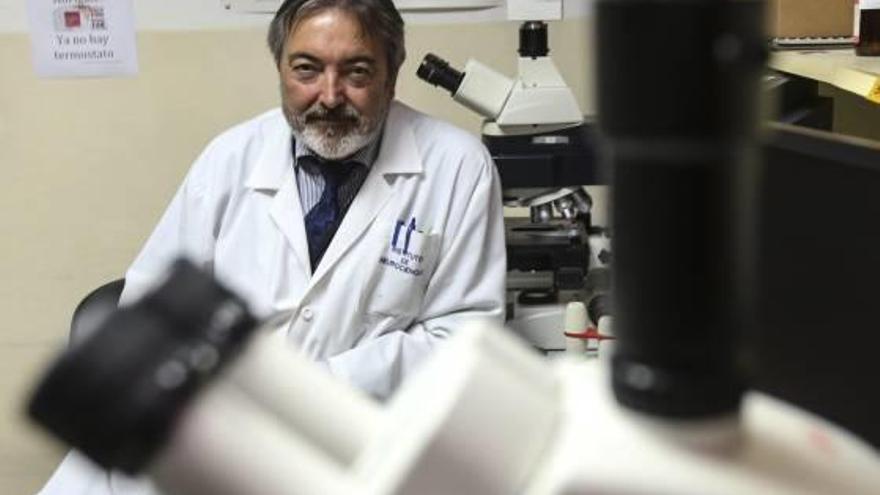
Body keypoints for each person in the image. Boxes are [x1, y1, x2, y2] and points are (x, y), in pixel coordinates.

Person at [37, 0, 505, 493]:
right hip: (201, 429)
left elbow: (464, 336)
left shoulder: (457, 166)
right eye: (307, 69)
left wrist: (313, 388)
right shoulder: (230, 157)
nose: (329, 95)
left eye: (357, 71)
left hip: (359, 439)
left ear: (393, 74)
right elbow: (149, 300)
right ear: (280, 68)